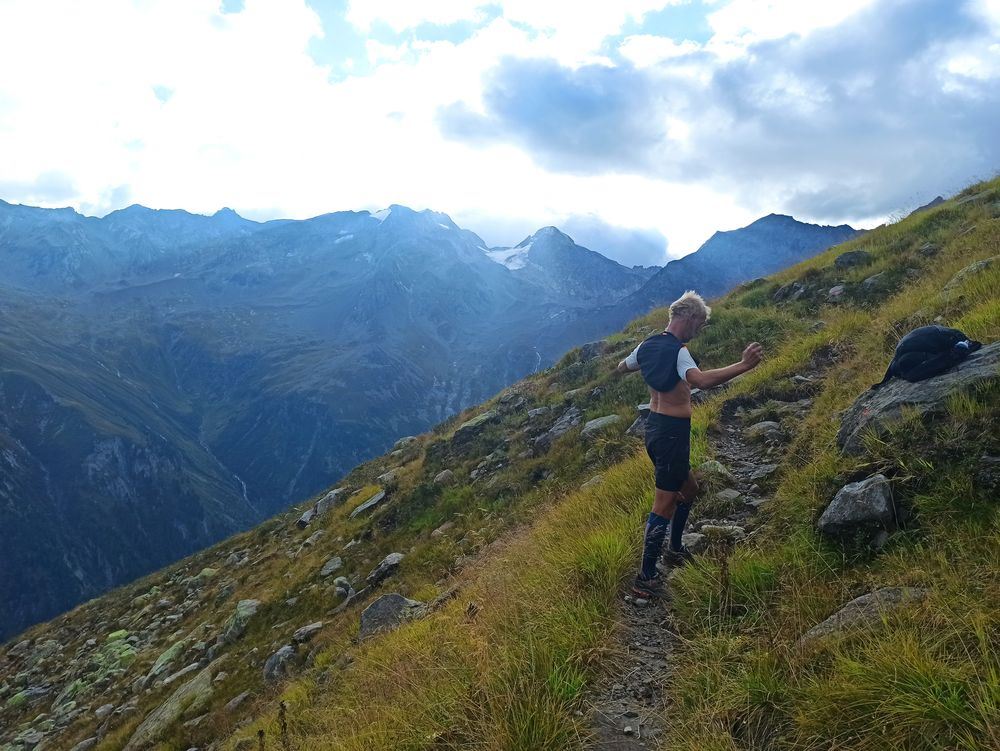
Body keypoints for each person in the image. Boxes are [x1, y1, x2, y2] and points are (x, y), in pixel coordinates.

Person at [615, 291, 763, 598]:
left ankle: (675, 547)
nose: (701, 329)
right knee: (664, 503)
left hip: (656, 430)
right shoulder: (678, 351)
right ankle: (645, 580)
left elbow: (622, 366)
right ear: (690, 318)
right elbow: (702, 381)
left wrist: (647, 368)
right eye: (701, 323)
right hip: (670, 434)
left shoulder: (647, 345)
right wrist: (744, 365)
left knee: (690, 489)